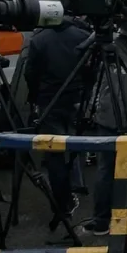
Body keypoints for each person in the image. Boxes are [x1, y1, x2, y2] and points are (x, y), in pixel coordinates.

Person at [83, 8, 127, 236]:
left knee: (107, 171)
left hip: (113, 117)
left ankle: (102, 221)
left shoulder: (110, 43)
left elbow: (87, 73)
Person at [25, 13, 92, 219]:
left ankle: (62, 203)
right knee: (75, 146)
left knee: (54, 154)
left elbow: (31, 74)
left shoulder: (39, 40)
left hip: (50, 101)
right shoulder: (83, 36)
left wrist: (35, 99)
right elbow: (92, 70)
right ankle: (76, 185)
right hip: (77, 98)